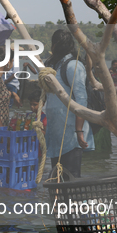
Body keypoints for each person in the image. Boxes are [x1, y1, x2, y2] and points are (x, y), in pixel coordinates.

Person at [44, 29, 94, 178]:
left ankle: (70, 202)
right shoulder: (55, 66)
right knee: (56, 178)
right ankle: (57, 202)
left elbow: (81, 99)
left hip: (71, 133)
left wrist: (79, 131)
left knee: (71, 177)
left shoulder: (73, 65)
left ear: (55, 46)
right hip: (57, 132)